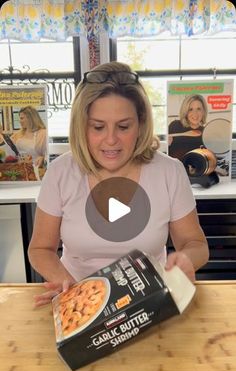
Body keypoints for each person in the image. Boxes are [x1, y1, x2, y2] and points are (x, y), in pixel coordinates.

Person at [28, 61, 209, 307]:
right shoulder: (61, 172)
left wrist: (186, 259)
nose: (111, 139)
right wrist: (67, 285)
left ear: (141, 123)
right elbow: (40, 248)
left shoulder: (170, 172)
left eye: (124, 126)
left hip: (149, 302)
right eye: (98, 127)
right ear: (81, 126)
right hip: (81, 302)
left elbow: (196, 244)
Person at [168, 94, 208, 161]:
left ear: (203, 111)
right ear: (185, 111)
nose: (195, 113)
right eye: (190, 109)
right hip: (176, 169)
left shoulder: (206, 132)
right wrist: (167, 144)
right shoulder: (175, 126)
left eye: (199, 109)